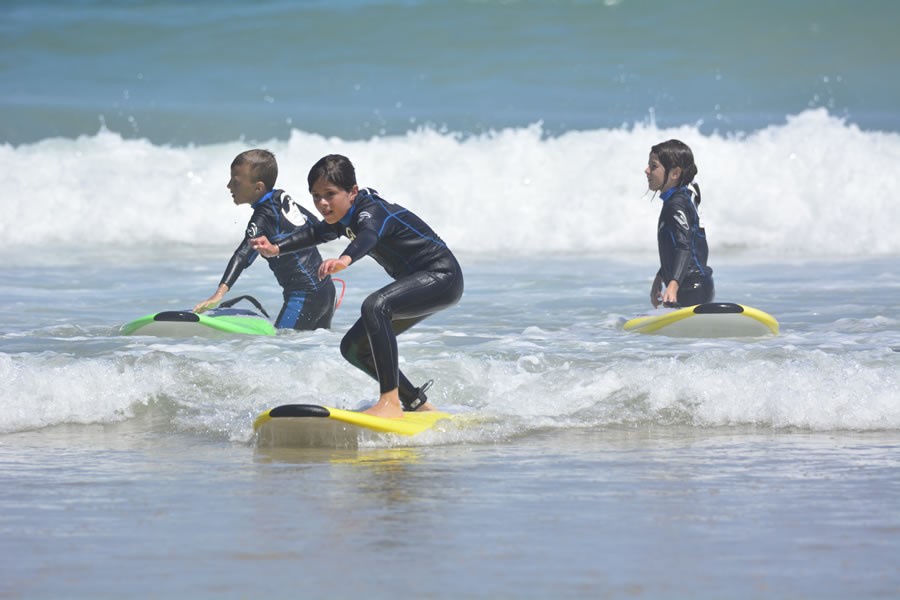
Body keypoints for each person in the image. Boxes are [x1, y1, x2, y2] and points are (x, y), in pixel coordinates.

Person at [251, 154, 464, 418]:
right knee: (354, 348)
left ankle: (389, 402)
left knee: (375, 306)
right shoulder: (342, 218)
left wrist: (345, 259)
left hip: (442, 276)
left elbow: (368, 235)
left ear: (352, 192)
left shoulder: (372, 211)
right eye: (316, 196)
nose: (322, 203)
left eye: (329, 194)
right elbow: (315, 232)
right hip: (422, 283)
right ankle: (419, 405)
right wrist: (276, 248)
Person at [194, 149, 335, 330]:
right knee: (313, 352)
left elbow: (243, 255)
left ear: (258, 187)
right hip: (326, 290)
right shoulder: (282, 198)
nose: (229, 186)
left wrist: (218, 294)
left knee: (282, 348)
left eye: (235, 182)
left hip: (304, 296)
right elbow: (317, 226)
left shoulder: (262, 216)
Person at [644, 139, 715, 308]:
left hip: (690, 289)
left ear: (674, 173)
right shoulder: (681, 199)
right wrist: (660, 277)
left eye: (653, 166)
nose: (646, 170)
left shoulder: (676, 205)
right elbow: (675, 247)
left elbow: (684, 247)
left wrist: (673, 284)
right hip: (691, 286)